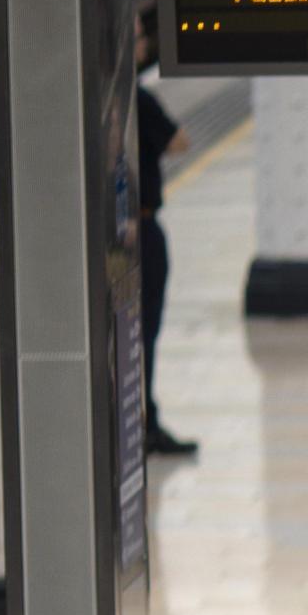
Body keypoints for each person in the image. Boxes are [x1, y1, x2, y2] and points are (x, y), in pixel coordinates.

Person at [135, 83, 194, 457]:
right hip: (141, 230)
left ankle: (138, 417)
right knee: (144, 328)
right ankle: (145, 422)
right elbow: (179, 142)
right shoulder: (138, 99)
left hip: (110, 233)